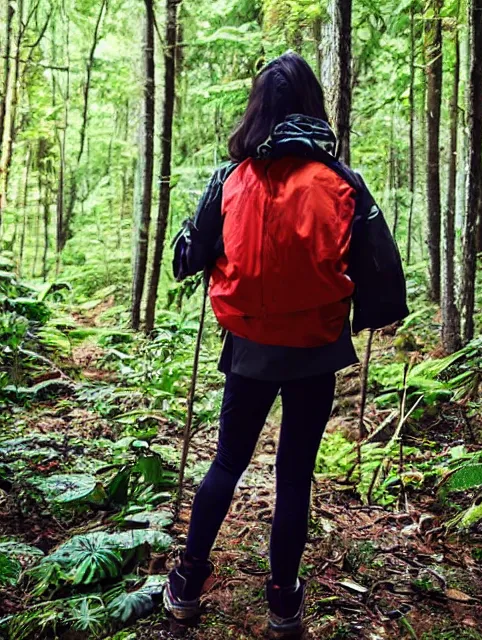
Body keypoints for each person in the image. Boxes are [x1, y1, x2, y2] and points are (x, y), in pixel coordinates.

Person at [164, 51, 408, 638]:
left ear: (256, 110)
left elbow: (185, 258)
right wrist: (372, 316)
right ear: (313, 107)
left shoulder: (230, 180)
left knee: (228, 460)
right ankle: (282, 599)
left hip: (248, 345)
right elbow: (380, 271)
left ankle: (189, 581)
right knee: (295, 474)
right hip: (316, 349)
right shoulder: (342, 183)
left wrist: (195, 246)